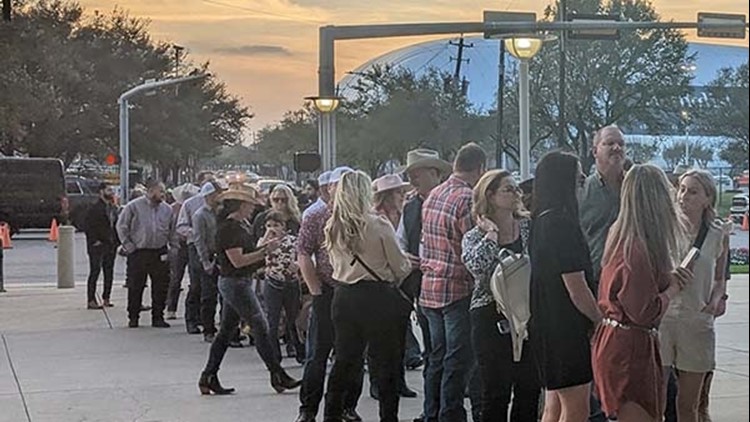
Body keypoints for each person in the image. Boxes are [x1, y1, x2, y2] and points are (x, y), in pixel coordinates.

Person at [592, 164, 693, 422]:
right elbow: (643, 312)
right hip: (629, 347)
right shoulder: (636, 248)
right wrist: (671, 290)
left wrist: (665, 279)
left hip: (620, 340)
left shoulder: (623, 237)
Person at [322, 170, 413, 422]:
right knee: (387, 362)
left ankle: (331, 413)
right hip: (376, 297)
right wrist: (405, 265)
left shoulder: (333, 227)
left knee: (344, 360)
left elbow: (333, 264)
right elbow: (399, 266)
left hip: (343, 296)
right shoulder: (378, 224)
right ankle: (388, 416)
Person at [198, 185, 301, 395]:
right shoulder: (229, 229)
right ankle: (277, 373)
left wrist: (262, 249)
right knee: (260, 326)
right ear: (241, 205)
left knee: (226, 331)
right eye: (250, 204)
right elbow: (237, 261)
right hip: (235, 283)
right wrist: (265, 251)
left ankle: (209, 375)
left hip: (237, 282)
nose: (253, 208)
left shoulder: (239, 225)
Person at [462, 169, 541, 422]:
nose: (516, 193)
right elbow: (477, 267)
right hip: (490, 316)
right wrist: (492, 235)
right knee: (495, 390)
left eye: (516, 188)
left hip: (527, 316)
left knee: (529, 387)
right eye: (508, 189)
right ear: (490, 195)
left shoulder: (529, 227)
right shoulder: (475, 236)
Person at [528, 151, 601, 422]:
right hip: (566, 327)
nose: (582, 183)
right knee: (576, 407)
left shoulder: (541, 220)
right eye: (579, 179)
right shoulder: (562, 224)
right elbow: (576, 287)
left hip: (545, 323)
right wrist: (599, 319)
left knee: (554, 405)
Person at [420, 142, 486, 422]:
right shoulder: (467, 199)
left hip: (430, 288)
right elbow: (472, 251)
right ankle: (451, 414)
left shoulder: (433, 195)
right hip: (457, 289)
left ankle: (431, 413)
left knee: (437, 358)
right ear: (480, 168)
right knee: (457, 362)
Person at [660, 169, 730, 422]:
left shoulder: (717, 233)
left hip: (696, 321)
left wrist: (716, 298)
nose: (683, 196)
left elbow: (720, 277)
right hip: (664, 319)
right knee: (656, 400)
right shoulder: (665, 228)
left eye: (693, 191)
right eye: (681, 189)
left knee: (688, 405)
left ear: (707, 199)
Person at [295, 166, 363, 422]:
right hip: (327, 290)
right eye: (338, 186)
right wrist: (315, 289)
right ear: (329, 189)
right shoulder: (316, 215)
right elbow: (303, 252)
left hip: (354, 291)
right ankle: (308, 408)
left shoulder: (363, 217)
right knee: (317, 354)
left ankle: (348, 405)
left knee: (353, 353)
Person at [396, 148, 452, 422]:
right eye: (411, 174)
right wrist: (407, 259)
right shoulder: (410, 208)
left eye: (417, 173)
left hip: (451, 290)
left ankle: (443, 410)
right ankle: (433, 411)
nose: (414, 178)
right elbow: (401, 243)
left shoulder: (450, 201)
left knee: (447, 355)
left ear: (435, 173)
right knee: (434, 354)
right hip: (423, 289)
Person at [578, 125, 626, 422]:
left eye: (621, 143)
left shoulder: (635, 185)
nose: (617, 148)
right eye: (610, 143)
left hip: (629, 285)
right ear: (595, 150)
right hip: (594, 282)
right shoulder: (583, 190)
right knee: (594, 352)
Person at [369, 173, 418, 399]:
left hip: (405, 281)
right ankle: (378, 382)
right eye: (397, 192)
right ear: (386, 196)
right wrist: (404, 258)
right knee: (379, 337)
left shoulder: (406, 214)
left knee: (399, 334)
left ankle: (398, 381)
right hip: (384, 281)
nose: (402, 196)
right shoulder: (375, 219)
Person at [116, 180, 175, 328]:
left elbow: (172, 230)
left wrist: (172, 248)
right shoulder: (134, 206)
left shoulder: (167, 210)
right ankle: (133, 317)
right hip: (139, 252)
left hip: (159, 251)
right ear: (150, 191)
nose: (162, 194)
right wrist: (128, 245)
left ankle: (158, 317)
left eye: (163, 191)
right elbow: (122, 226)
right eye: (160, 191)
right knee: (136, 286)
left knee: (161, 286)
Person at [261, 210, 305, 363]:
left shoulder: (293, 240)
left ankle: (298, 348)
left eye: (276, 225)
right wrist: (267, 236)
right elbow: (258, 249)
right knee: (272, 320)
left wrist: (298, 265)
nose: (273, 228)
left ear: (283, 226)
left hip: (290, 282)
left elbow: (304, 255)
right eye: (269, 225)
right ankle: (275, 355)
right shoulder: (266, 242)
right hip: (272, 282)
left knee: (293, 318)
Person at [177, 173, 216, 334]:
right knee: (196, 286)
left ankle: (206, 319)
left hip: (214, 250)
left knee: (211, 289)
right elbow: (181, 227)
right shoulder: (191, 205)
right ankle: (191, 319)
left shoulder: (219, 208)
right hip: (196, 248)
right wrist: (196, 232)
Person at [192, 181, 226, 342]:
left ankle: (224, 327)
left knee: (225, 296)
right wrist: (205, 261)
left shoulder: (221, 213)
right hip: (209, 257)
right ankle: (208, 329)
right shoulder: (200, 215)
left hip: (222, 257)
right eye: (216, 194)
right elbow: (199, 240)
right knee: (208, 296)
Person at [166, 184, 199, 320]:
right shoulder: (172, 209)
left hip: (191, 245)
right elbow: (169, 228)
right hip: (177, 246)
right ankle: (171, 307)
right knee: (176, 278)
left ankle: (192, 311)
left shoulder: (194, 208)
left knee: (193, 279)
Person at [84, 183, 119, 309]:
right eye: (109, 190)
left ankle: (106, 298)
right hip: (98, 245)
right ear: (101, 192)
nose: (111, 192)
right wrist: (94, 241)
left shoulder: (113, 208)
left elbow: (116, 226)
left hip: (110, 244)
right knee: (95, 271)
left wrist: (117, 242)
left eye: (112, 190)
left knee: (109, 272)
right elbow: (88, 226)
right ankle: (91, 299)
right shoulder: (94, 208)